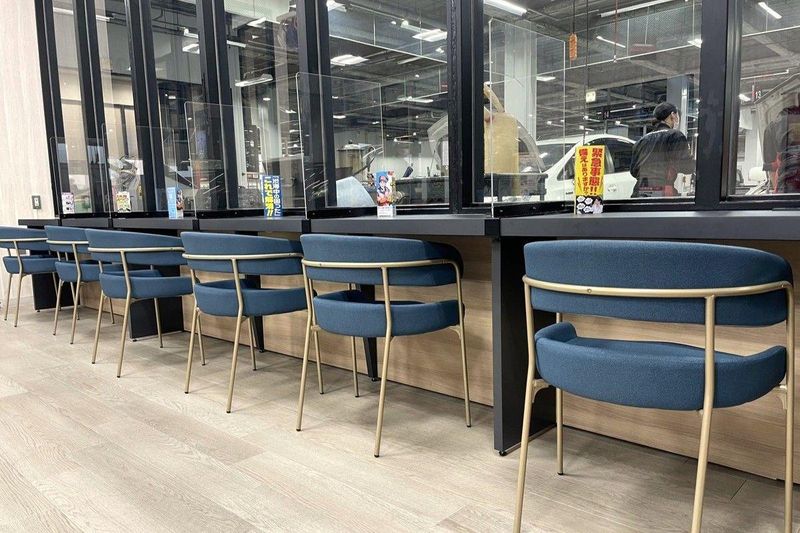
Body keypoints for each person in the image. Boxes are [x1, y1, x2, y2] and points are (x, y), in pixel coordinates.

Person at [630, 102, 694, 197]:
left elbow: (633, 171)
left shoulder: (641, 141)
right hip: (661, 193)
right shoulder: (675, 136)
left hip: (639, 192)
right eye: (677, 115)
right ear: (673, 115)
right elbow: (685, 166)